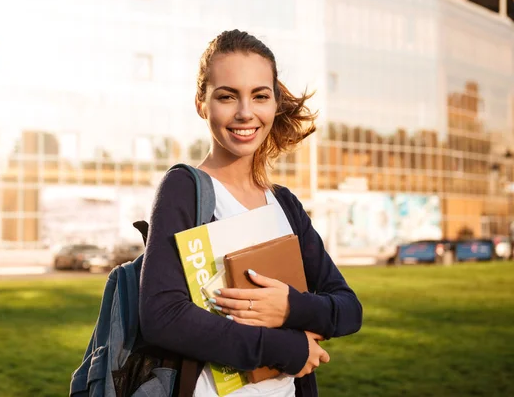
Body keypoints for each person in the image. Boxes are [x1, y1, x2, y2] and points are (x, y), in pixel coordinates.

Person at [139, 29, 362, 397]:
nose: (245, 113)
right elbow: (163, 317)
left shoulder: (285, 205)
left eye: (260, 96)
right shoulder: (184, 190)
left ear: (274, 103)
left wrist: (288, 307)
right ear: (202, 103)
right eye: (227, 96)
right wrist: (287, 348)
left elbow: (348, 308)